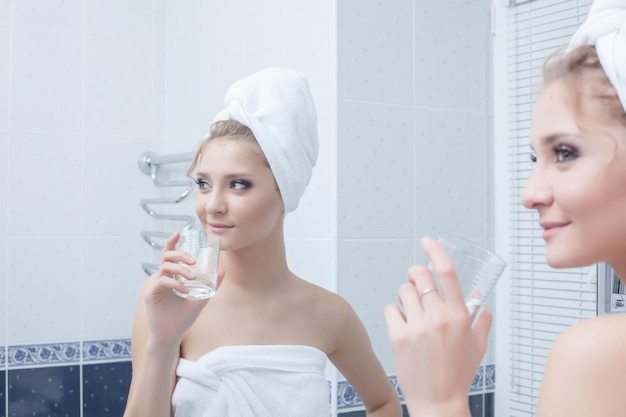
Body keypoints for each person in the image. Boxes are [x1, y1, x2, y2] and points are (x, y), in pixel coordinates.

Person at [383, 1, 626, 416]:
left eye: (564, 152)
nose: (529, 194)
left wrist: (438, 399)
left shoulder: (598, 355)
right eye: (536, 159)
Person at [123, 67, 402, 417]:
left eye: (238, 184)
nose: (212, 205)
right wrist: (163, 342)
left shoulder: (330, 314)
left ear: (283, 193)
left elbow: (383, 403)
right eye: (204, 184)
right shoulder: (171, 297)